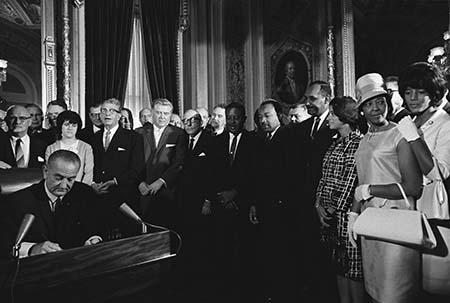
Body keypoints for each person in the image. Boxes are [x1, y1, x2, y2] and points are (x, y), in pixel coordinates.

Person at [348, 73, 422, 303]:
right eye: (369, 104)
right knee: (375, 292)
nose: (376, 108)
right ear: (361, 110)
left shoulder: (399, 134)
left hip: (396, 226)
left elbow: (413, 186)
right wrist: (354, 213)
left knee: (394, 294)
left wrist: (370, 190)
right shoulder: (363, 140)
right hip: (371, 226)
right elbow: (361, 183)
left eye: (381, 101)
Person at [397, 63, 450, 301]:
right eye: (408, 92)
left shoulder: (445, 123)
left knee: (434, 287)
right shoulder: (410, 120)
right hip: (405, 211)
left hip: (433, 213)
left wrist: (413, 137)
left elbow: (439, 173)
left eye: (420, 91)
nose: (414, 98)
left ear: (434, 93)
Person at [0, 150, 103, 258]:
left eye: (70, 179)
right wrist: (32, 249)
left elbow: (97, 226)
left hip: (77, 264)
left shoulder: (85, 193)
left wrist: (93, 239)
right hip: (37, 267)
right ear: (45, 171)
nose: (63, 186)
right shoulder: (17, 201)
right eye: (58, 178)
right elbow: (5, 242)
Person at [315, 97, 366, 303]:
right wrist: (318, 204)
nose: (330, 118)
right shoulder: (334, 143)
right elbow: (323, 177)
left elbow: (351, 181)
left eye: (334, 114)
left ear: (345, 117)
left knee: (353, 270)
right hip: (328, 217)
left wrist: (334, 210)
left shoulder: (358, 143)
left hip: (346, 218)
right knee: (338, 265)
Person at [211, 101, 262, 301]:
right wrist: (222, 196)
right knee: (221, 253)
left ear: (244, 119)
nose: (233, 122)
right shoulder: (215, 141)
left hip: (243, 206)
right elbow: (210, 174)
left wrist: (236, 194)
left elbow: (256, 176)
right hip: (220, 205)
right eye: (229, 117)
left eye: (237, 118)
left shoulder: (255, 142)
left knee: (244, 255)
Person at [177, 109, 215, 298]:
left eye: (193, 120)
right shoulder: (182, 140)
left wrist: (208, 200)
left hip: (202, 202)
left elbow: (214, 175)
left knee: (202, 244)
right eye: (186, 121)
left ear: (201, 122)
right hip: (184, 202)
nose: (189, 124)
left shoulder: (211, 140)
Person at [91, 98, 144, 233]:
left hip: (124, 198)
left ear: (119, 115)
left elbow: (137, 169)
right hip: (98, 197)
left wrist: (114, 182)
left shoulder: (133, 137)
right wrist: (93, 185)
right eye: (104, 111)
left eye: (111, 111)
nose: (107, 114)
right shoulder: (93, 138)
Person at [139, 98, 187, 228]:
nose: (162, 116)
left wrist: (161, 182)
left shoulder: (179, 134)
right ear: (152, 112)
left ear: (170, 114)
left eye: (166, 113)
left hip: (166, 193)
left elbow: (178, 163)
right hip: (142, 191)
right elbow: (134, 162)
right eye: (158, 112)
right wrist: (140, 182)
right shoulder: (139, 133)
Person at [45, 111, 94, 185]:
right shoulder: (51, 148)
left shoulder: (86, 148)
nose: (70, 128)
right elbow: (49, 172)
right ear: (60, 126)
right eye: (66, 125)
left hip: (81, 189)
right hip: (57, 188)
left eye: (74, 125)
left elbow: (88, 173)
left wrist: (82, 189)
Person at [0, 105, 46, 169]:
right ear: (7, 121)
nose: (17, 122)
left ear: (30, 122)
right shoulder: (1, 141)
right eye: (12, 118)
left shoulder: (41, 145)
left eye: (22, 118)